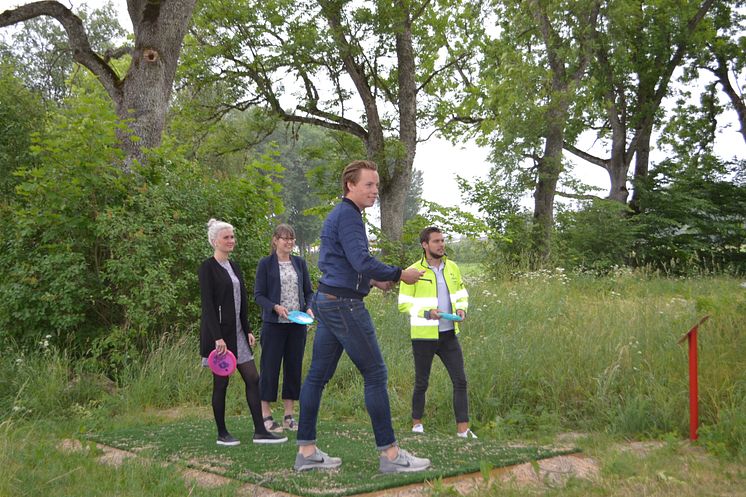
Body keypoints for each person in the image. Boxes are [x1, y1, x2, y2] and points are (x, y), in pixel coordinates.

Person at [293, 160, 431, 474]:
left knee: (317, 376)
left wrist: (372, 280)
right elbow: (360, 258)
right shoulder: (349, 216)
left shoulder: (340, 215)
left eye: (376, 185)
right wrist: (398, 274)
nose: (374, 191)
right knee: (376, 374)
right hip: (343, 305)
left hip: (327, 301)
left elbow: (343, 263)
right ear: (350, 186)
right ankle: (391, 456)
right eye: (368, 185)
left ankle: (307, 451)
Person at [198, 218, 288, 446]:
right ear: (214, 241)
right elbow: (208, 307)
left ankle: (260, 430)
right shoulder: (207, 268)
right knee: (221, 384)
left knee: (253, 378)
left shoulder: (234, 266)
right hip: (219, 338)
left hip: (238, 334)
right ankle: (222, 434)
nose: (231, 241)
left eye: (232, 237)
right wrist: (217, 337)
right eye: (226, 237)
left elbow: (241, 303)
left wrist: (247, 329)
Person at [398, 227, 476, 438]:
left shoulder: (452, 267)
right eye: (436, 241)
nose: (441, 244)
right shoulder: (412, 271)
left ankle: (463, 430)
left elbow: (461, 293)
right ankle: (417, 425)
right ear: (424, 244)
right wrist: (426, 312)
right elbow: (403, 305)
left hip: (449, 334)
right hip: (424, 335)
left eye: (442, 240)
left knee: (460, 380)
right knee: (422, 382)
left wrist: (462, 308)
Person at [254, 223, 314, 433]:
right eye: (284, 238)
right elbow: (258, 295)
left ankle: (289, 415)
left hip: (297, 326)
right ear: (275, 240)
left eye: (292, 238)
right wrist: (275, 307)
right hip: (274, 325)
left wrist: (309, 308)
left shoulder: (299, 263)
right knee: (269, 368)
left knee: (293, 368)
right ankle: (266, 415)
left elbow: (309, 292)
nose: (289, 242)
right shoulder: (266, 264)